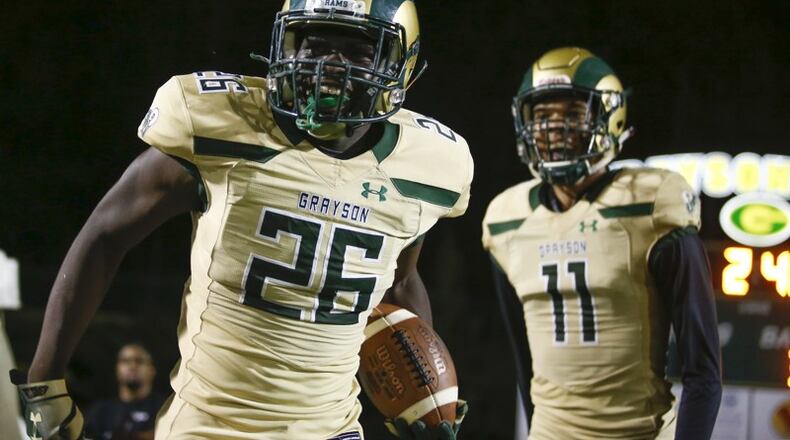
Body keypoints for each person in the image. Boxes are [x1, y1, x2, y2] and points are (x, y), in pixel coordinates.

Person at [11, 1, 472, 439]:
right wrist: (44, 379)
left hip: (331, 428)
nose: (330, 65)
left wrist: (423, 398)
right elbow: (105, 235)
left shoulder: (426, 167)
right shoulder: (228, 125)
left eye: (358, 50)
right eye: (313, 44)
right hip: (211, 425)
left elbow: (400, 280)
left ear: (400, 66)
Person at [481, 47, 722, 439]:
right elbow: (525, 366)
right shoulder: (506, 220)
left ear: (611, 118)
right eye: (542, 116)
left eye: (573, 114)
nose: (554, 128)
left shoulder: (651, 203)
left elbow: (703, 373)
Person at [84, 343, 165, 440]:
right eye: (125, 361)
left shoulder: (165, 408)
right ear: (117, 369)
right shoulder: (100, 411)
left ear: (152, 370)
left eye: (139, 361)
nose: (132, 366)